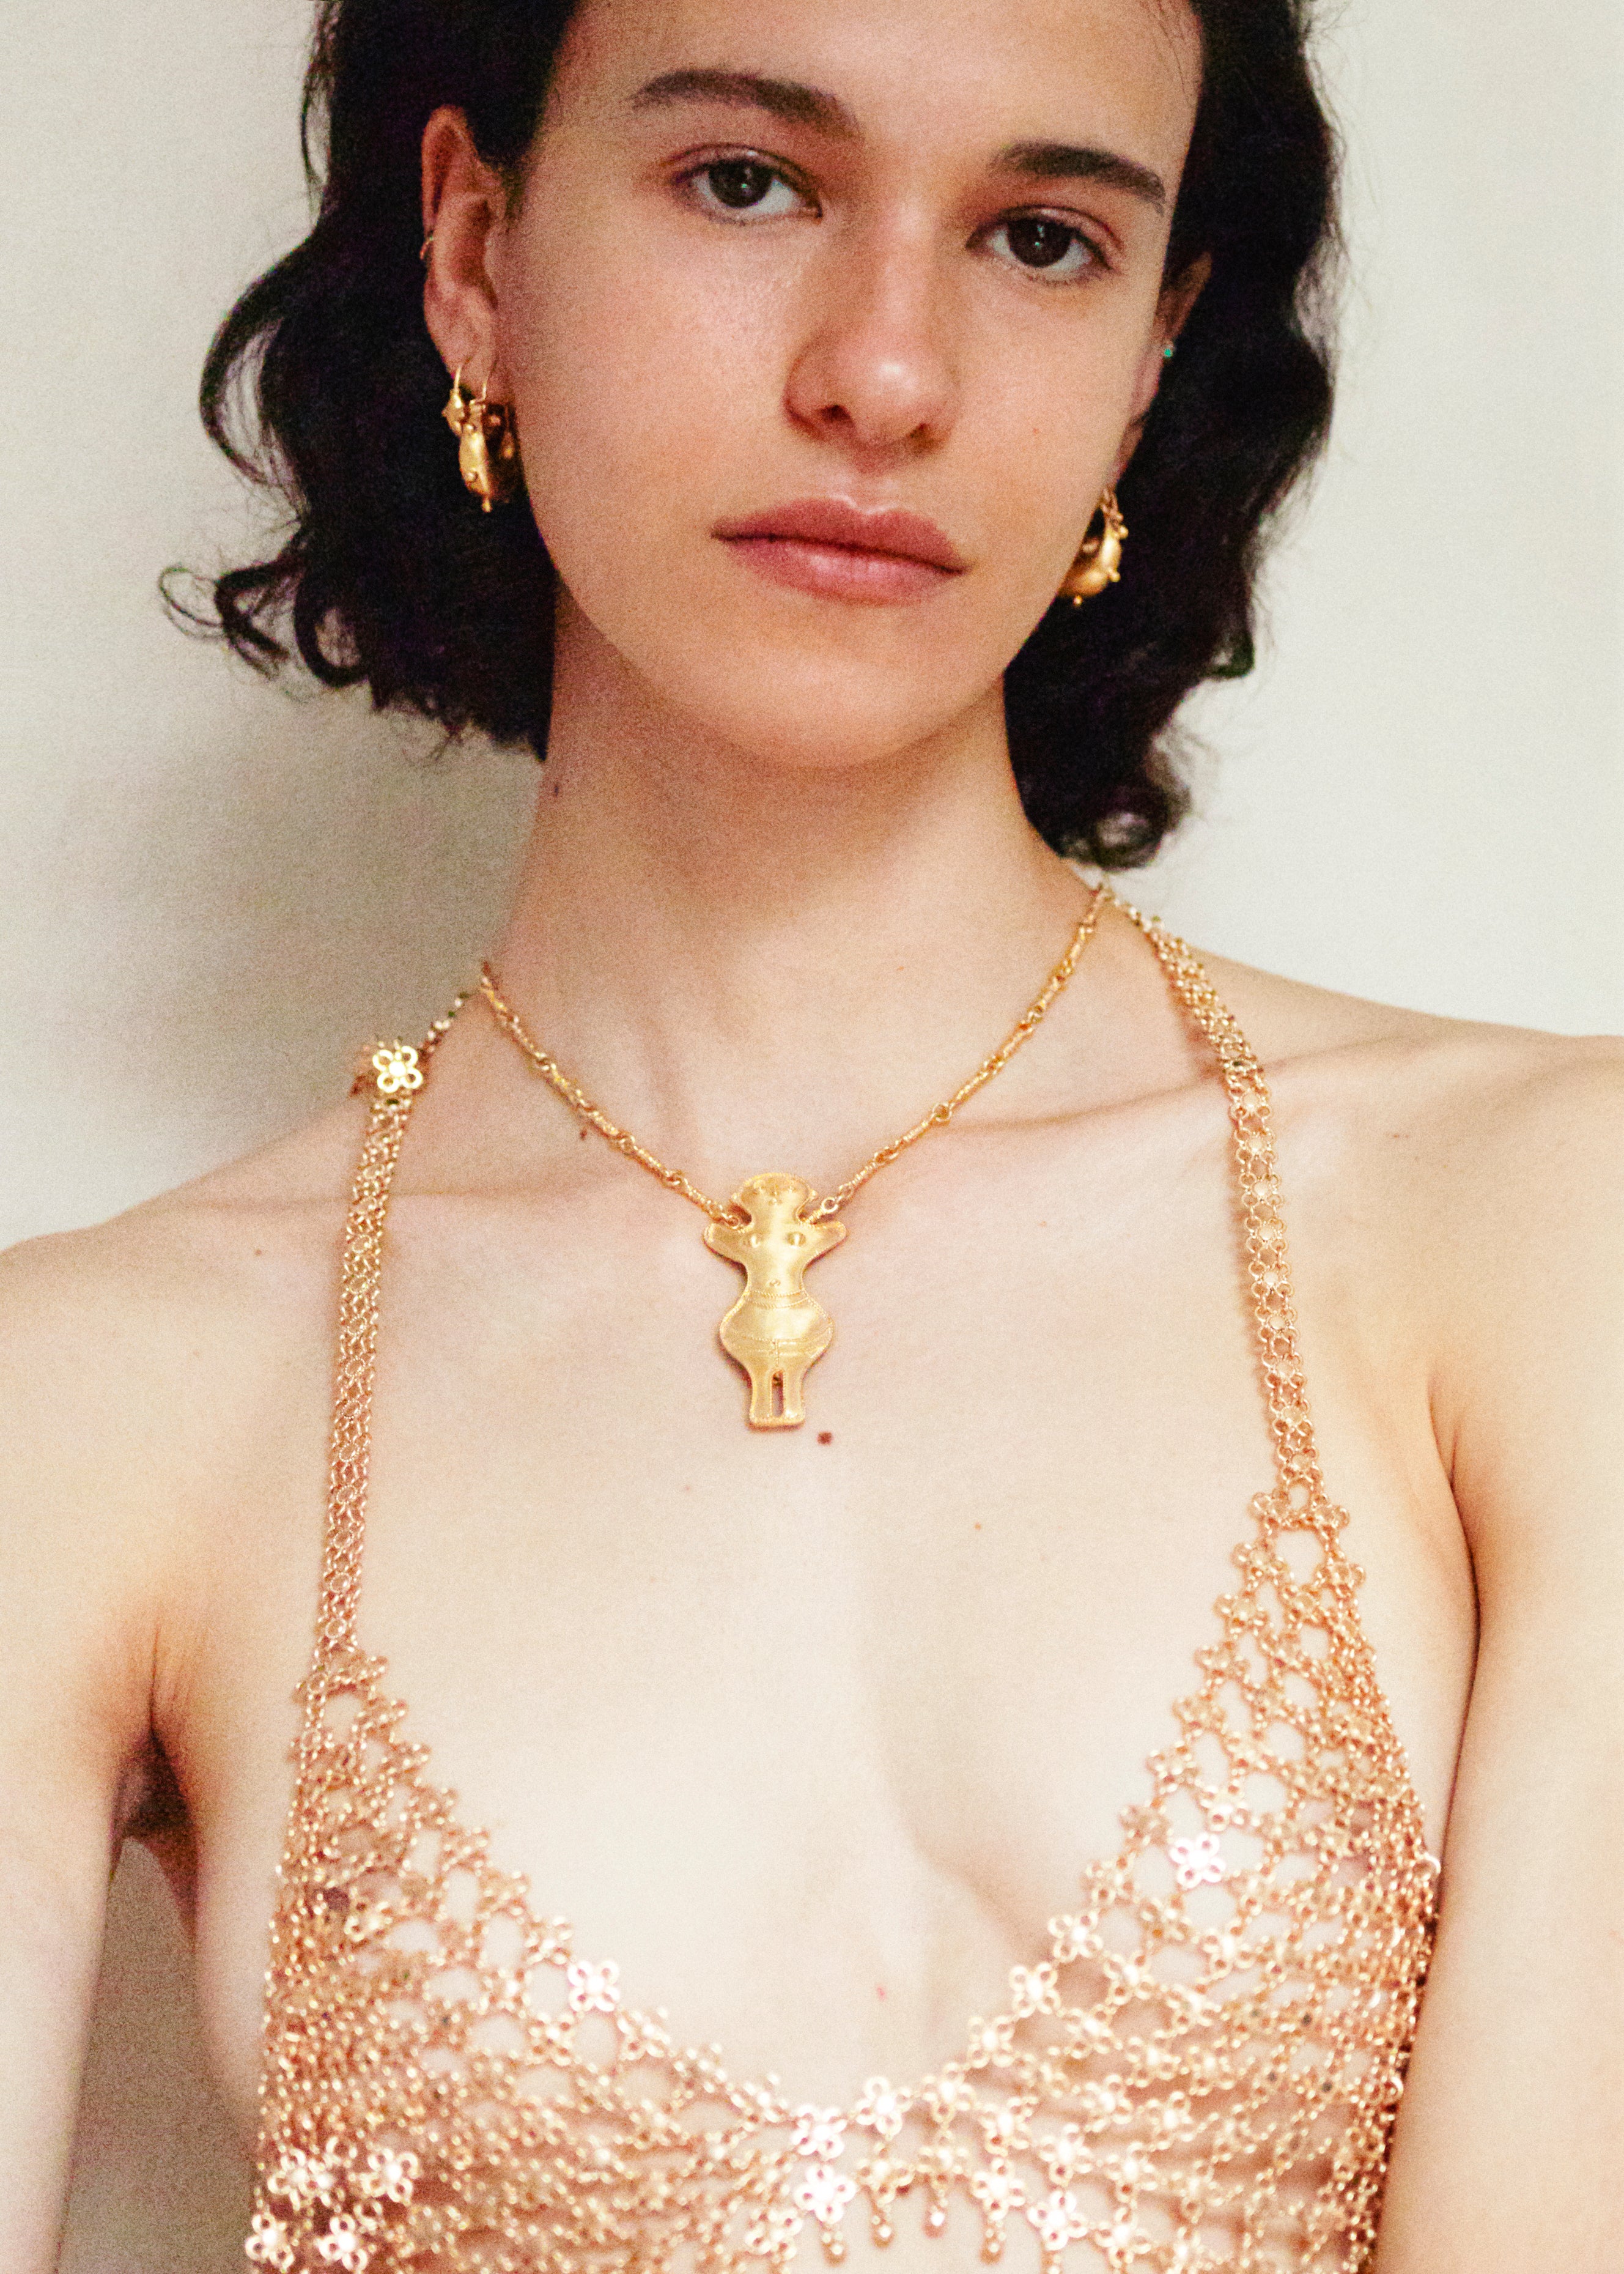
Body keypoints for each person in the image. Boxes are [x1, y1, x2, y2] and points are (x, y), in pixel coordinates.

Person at [2, 0, 1618, 2268]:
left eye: (1041, 238)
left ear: (1151, 357)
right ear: (474, 254)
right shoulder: (98, 1404)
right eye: (748, 182)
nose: (887, 373)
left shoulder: (1545, 1228)